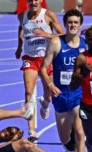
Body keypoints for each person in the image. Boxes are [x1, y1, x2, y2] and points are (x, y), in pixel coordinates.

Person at [39, 9, 86, 152]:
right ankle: (70, 147)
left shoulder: (84, 44)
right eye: (70, 22)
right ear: (65, 24)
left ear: (80, 25)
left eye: (76, 22)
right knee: (65, 138)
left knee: (81, 134)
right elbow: (43, 68)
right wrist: (50, 85)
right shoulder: (56, 42)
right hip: (60, 97)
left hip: (78, 95)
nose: (73, 25)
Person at [15, 0, 64, 142]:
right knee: (29, 93)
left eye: (36, 0)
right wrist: (19, 47)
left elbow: (62, 34)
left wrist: (46, 34)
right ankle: (31, 131)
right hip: (30, 58)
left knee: (49, 94)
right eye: (30, 0)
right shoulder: (22, 16)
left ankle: (45, 103)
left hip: (46, 59)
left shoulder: (48, 15)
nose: (33, 2)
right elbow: (20, 29)